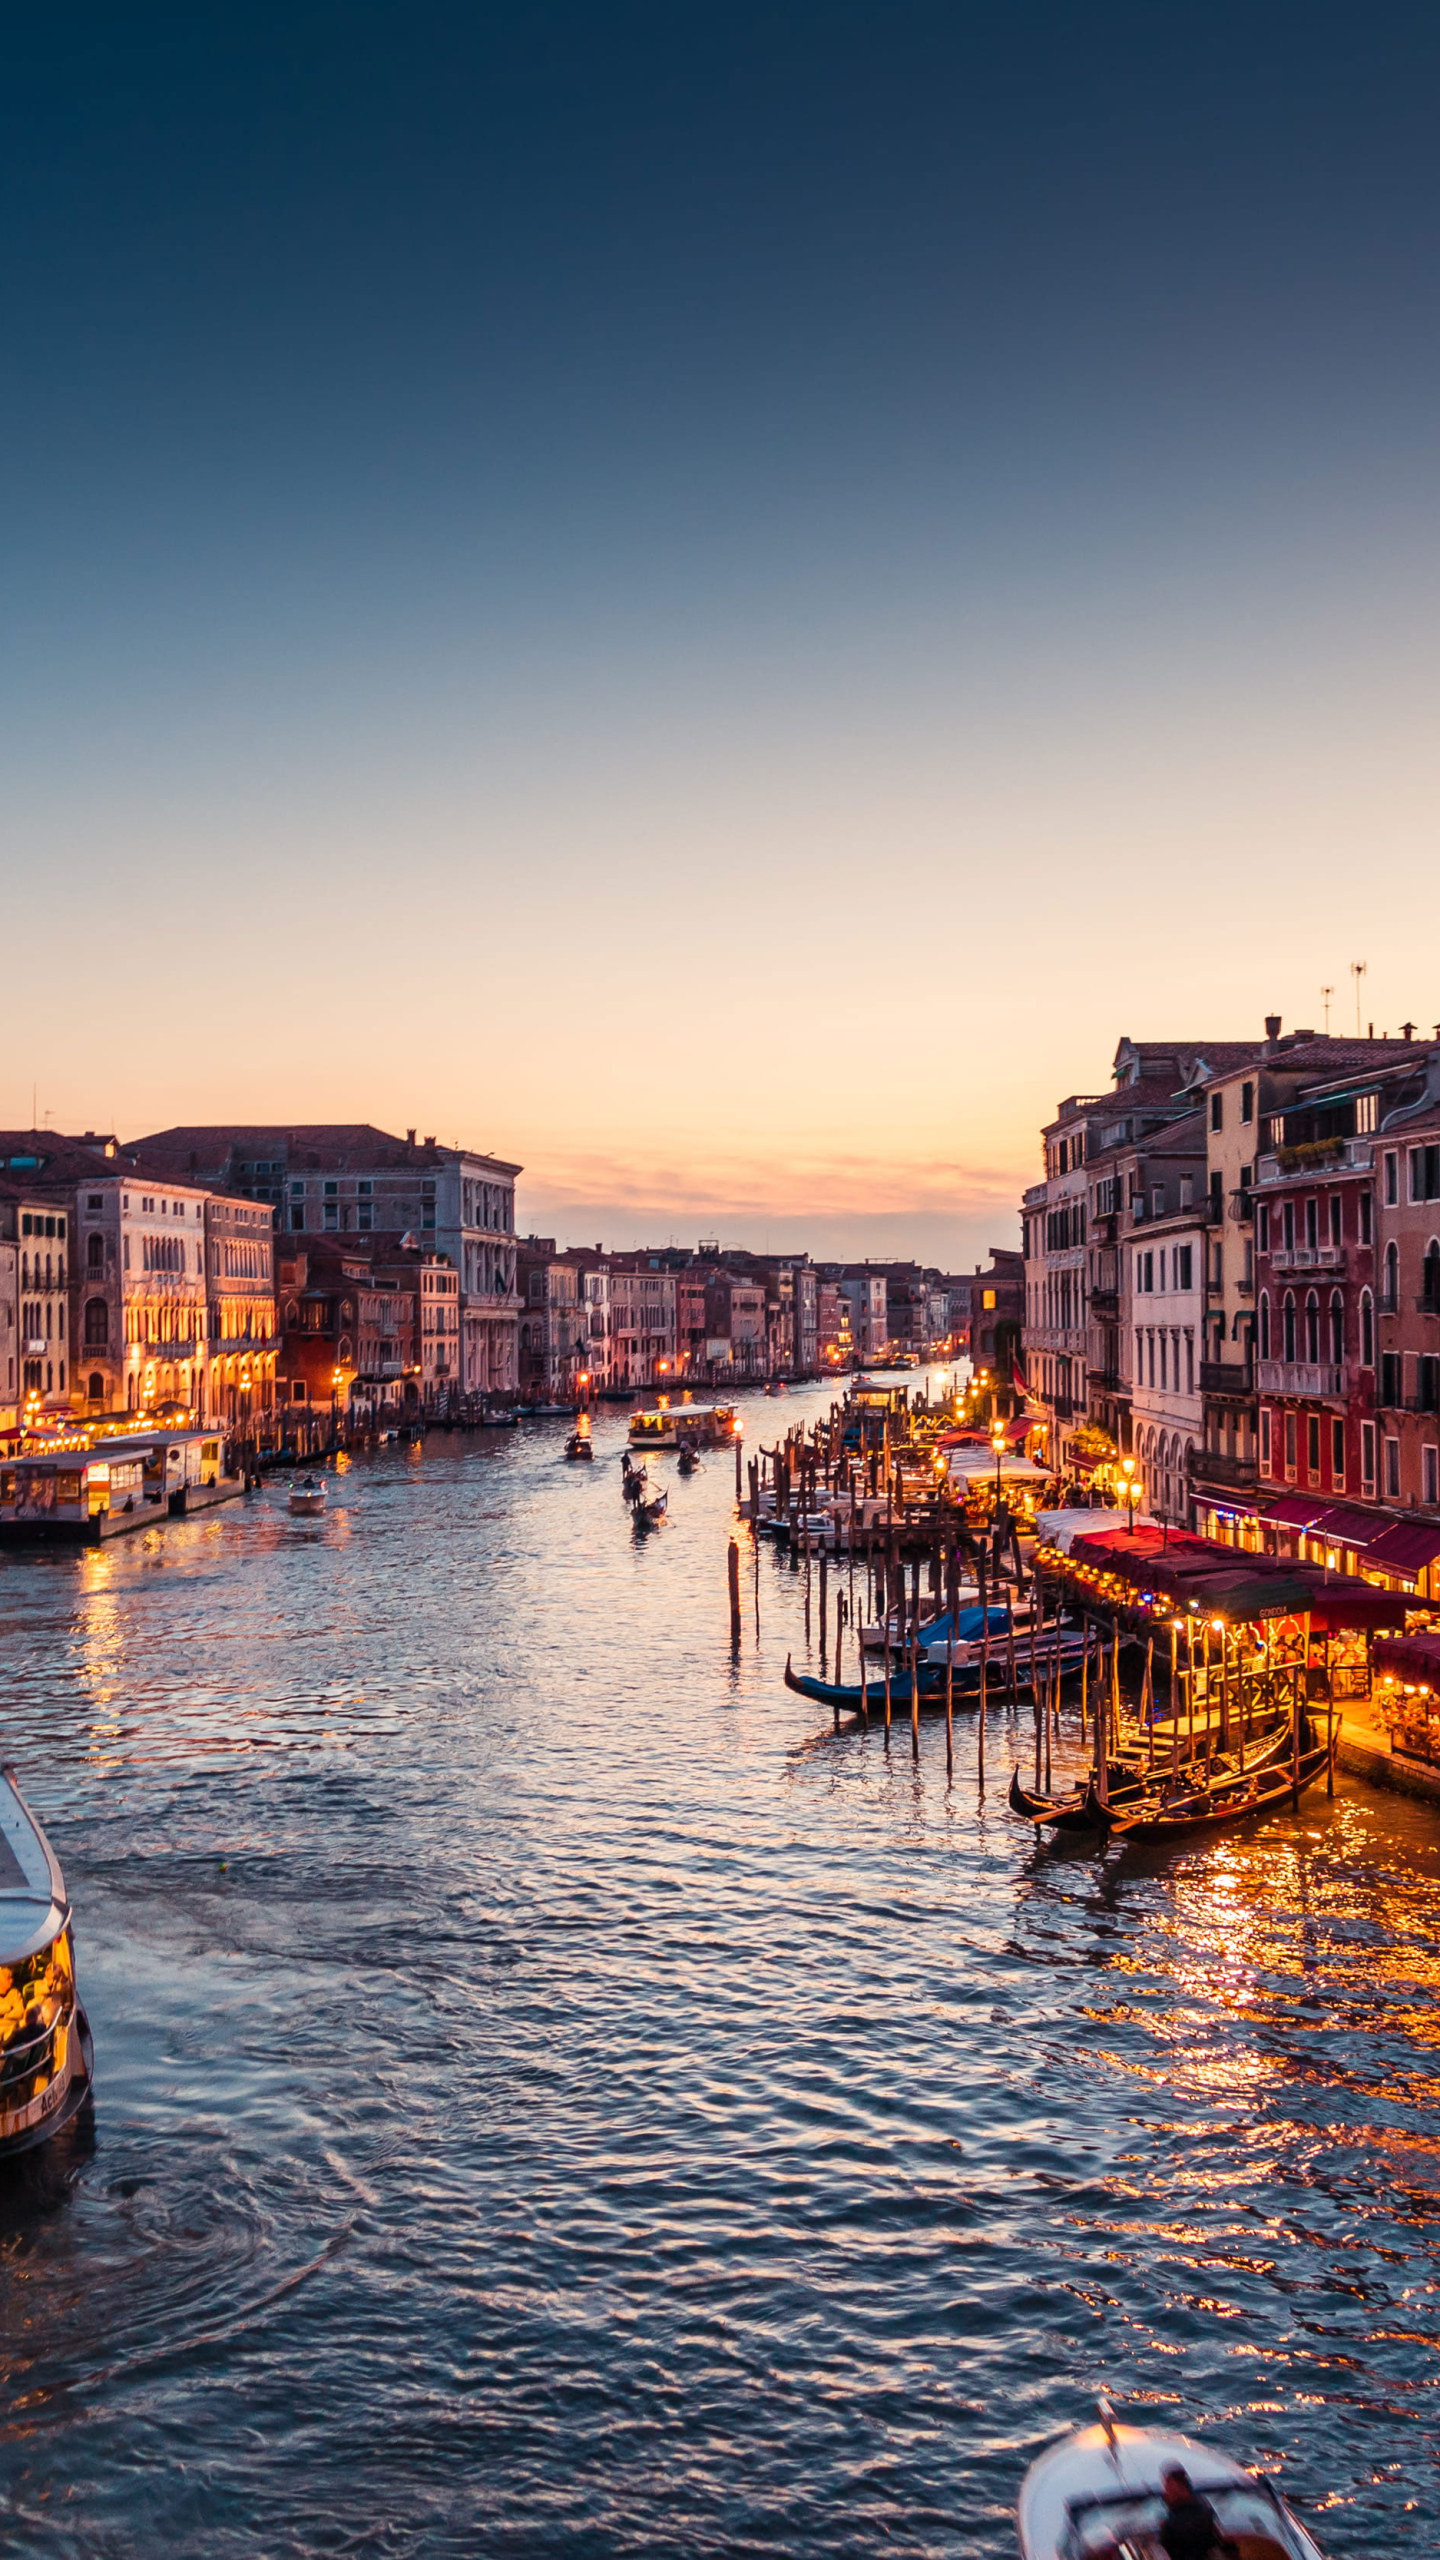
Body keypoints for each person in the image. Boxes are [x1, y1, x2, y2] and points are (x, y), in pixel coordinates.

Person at [1156, 2465, 1230, 2560]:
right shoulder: (1202, 2506)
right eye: (1166, 2488)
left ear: (1182, 2489)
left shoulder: (1185, 2518)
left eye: (1169, 2488)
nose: (1166, 2492)